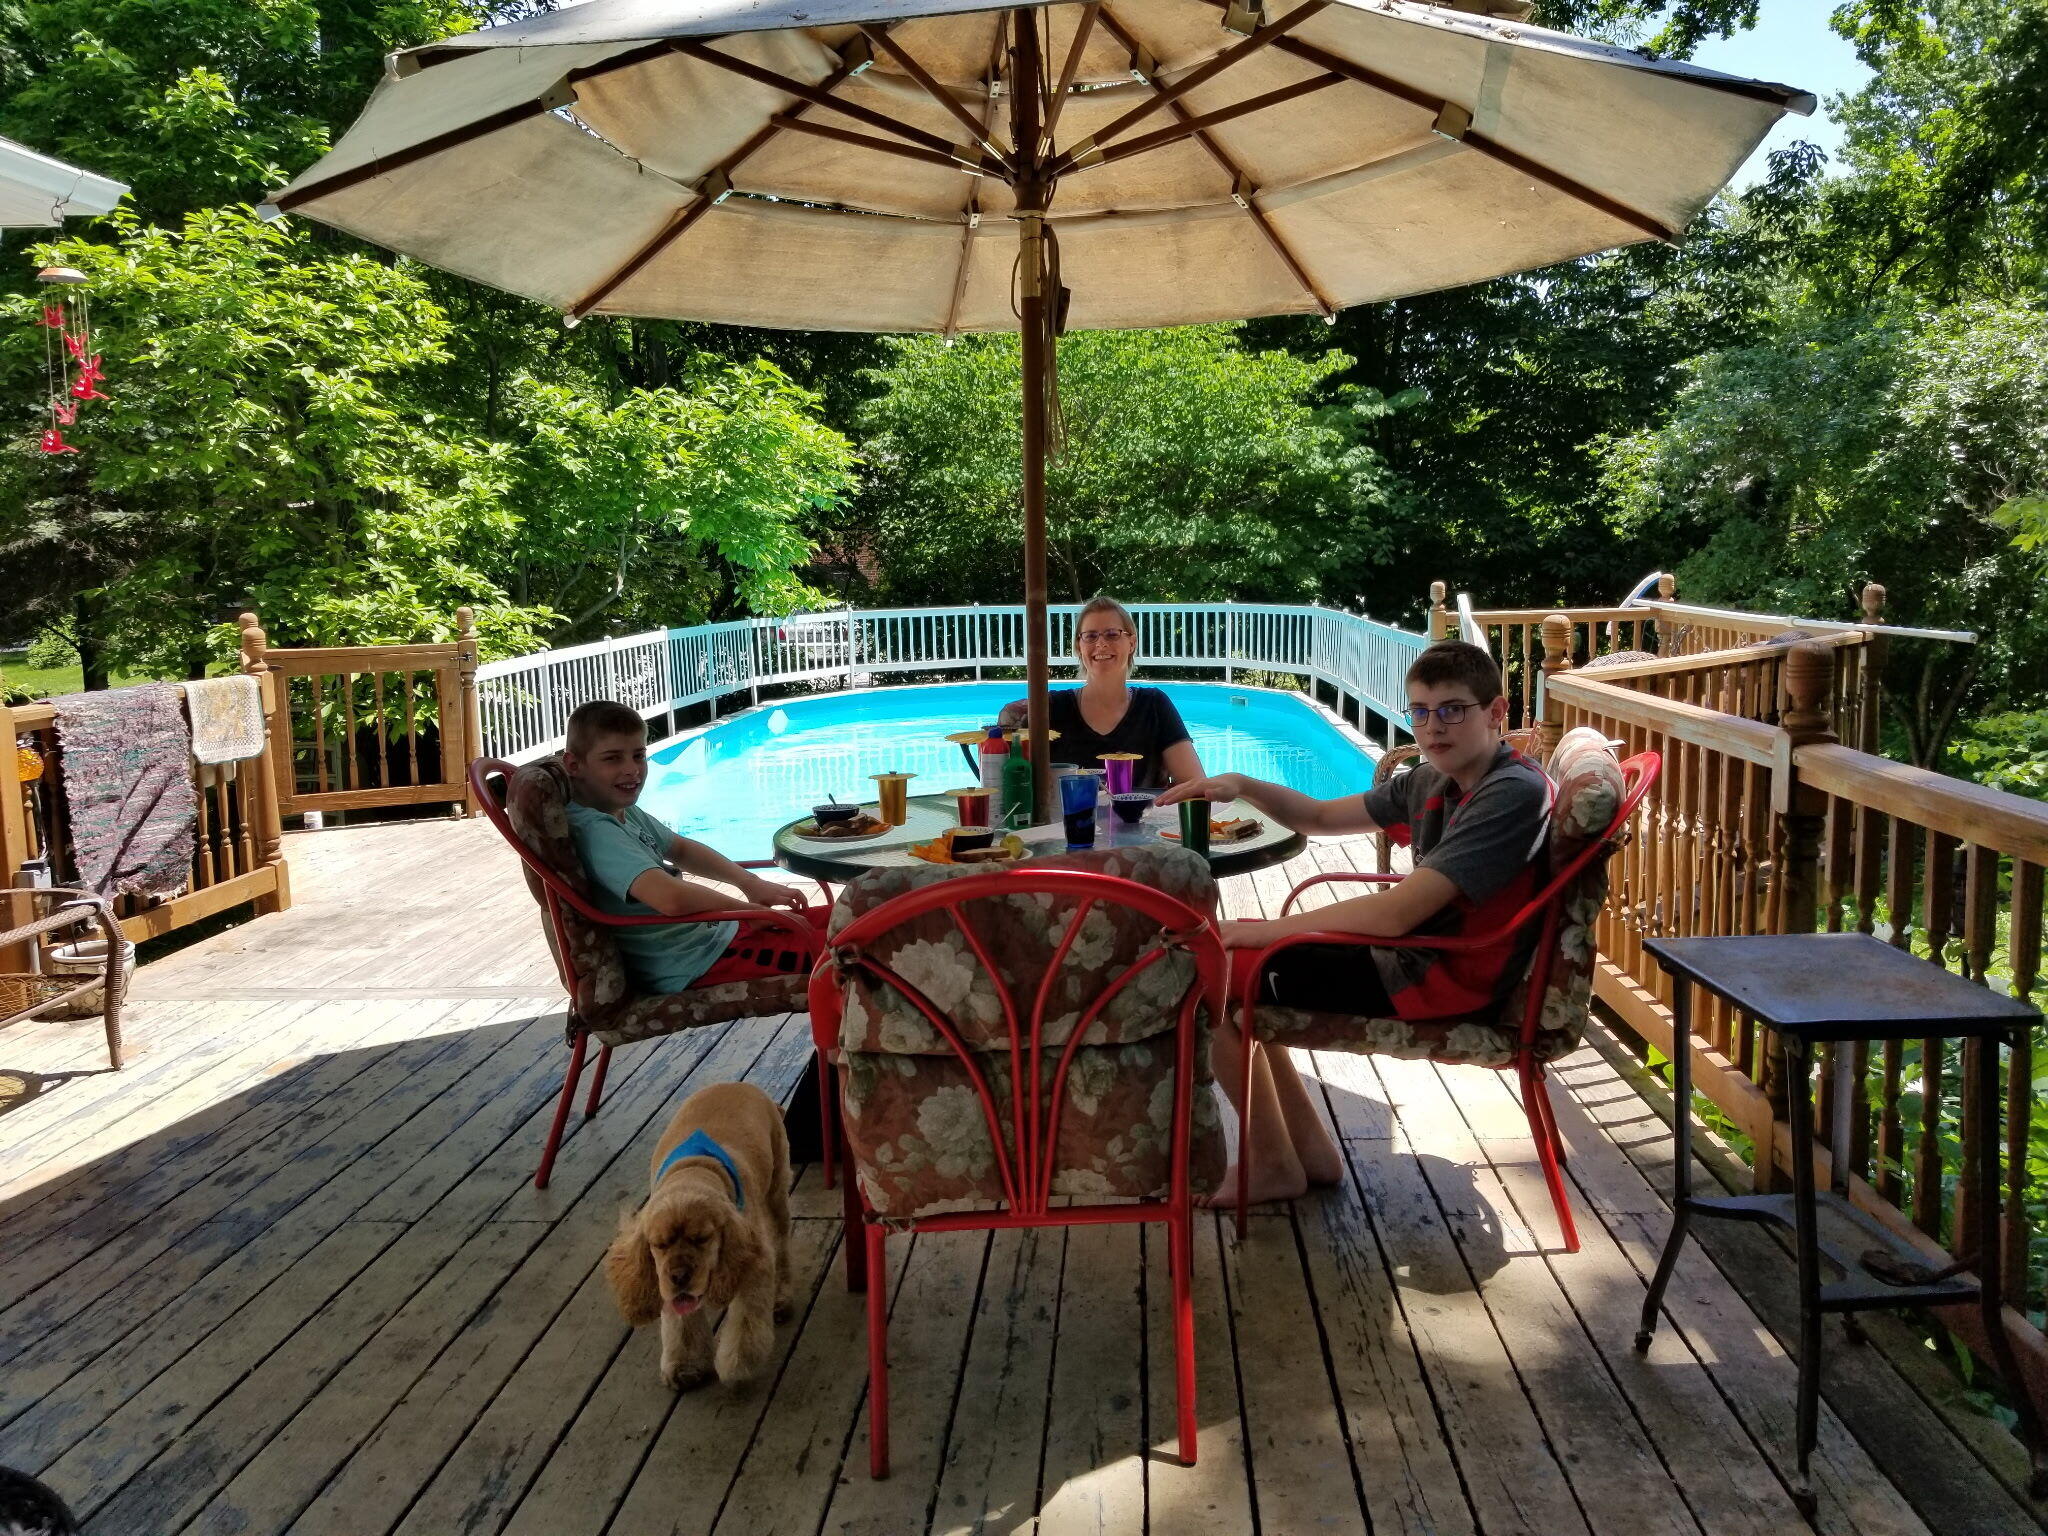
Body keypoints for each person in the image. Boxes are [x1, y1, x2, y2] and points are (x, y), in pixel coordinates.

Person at [1157, 641, 1551, 1207]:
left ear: (1497, 713)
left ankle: (1272, 1165)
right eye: (1420, 711)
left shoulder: (1510, 793)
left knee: (1206, 972)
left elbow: (1395, 914)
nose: (1434, 726)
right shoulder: (1433, 780)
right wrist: (1241, 784)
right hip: (1420, 955)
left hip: (1437, 976)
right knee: (1225, 961)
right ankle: (1309, 1154)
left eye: (1453, 710)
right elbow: (1318, 817)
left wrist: (1260, 933)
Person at [560, 700, 822, 994]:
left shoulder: (621, 811)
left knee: (855, 920)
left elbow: (681, 849)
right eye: (612, 759)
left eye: (638, 755)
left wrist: (749, 882)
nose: (632, 770)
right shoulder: (595, 830)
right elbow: (670, 898)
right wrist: (751, 913)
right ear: (574, 765)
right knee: (857, 951)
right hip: (698, 962)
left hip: (720, 936)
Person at [1002, 596, 1204, 790]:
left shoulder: (1153, 705)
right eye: (1090, 636)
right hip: (1063, 825)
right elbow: (1014, 789)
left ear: (1132, 643)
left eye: (1112, 634)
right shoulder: (1049, 710)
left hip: (1144, 823)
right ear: (1079, 647)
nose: (1100, 643)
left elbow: (1194, 783)